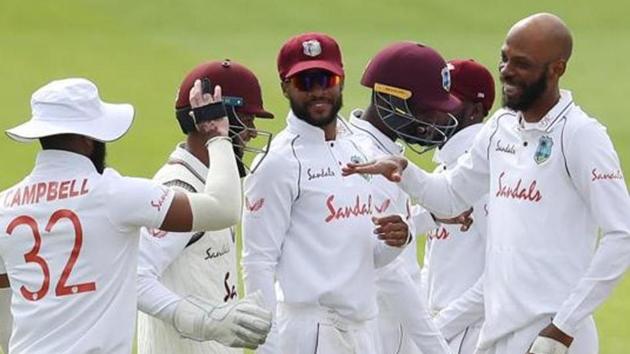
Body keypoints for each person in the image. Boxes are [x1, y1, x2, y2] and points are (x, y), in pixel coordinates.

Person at [343, 13, 630, 354]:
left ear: (557, 69)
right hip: (496, 334)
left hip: (554, 336)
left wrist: (564, 327)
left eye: (522, 64)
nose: (507, 71)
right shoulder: (500, 129)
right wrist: (404, 170)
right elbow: (451, 197)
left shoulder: (581, 135)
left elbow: (621, 234)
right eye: (504, 58)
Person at [0, 78, 271, 353]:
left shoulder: (4, 207)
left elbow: (4, 320)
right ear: (89, 138)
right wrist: (218, 136)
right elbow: (222, 209)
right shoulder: (116, 194)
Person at [241, 32, 411, 354]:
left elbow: (370, 256)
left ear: (341, 80)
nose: (318, 91)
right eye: (305, 82)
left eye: (326, 78)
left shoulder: (359, 149)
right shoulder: (277, 162)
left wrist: (397, 241)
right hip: (312, 330)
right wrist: (268, 346)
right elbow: (258, 260)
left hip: (364, 325)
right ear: (285, 87)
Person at [136, 59, 274, 354]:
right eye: (246, 121)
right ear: (212, 120)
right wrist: (203, 320)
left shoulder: (212, 183)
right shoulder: (179, 190)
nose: (251, 132)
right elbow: (134, 278)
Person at [345, 41, 465, 354]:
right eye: (427, 110)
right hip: (382, 333)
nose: (436, 122)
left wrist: (432, 217)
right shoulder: (374, 164)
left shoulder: (358, 143)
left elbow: (383, 231)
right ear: (388, 98)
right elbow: (390, 273)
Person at [422, 58, 495, 354]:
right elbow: (433, 259)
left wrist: (434, 331)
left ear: (475, 111)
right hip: (443, 330)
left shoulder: (483, 170)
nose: (433, 111)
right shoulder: (446, 169)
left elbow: (500, 273)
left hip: (472, 332)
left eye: (447, 102)